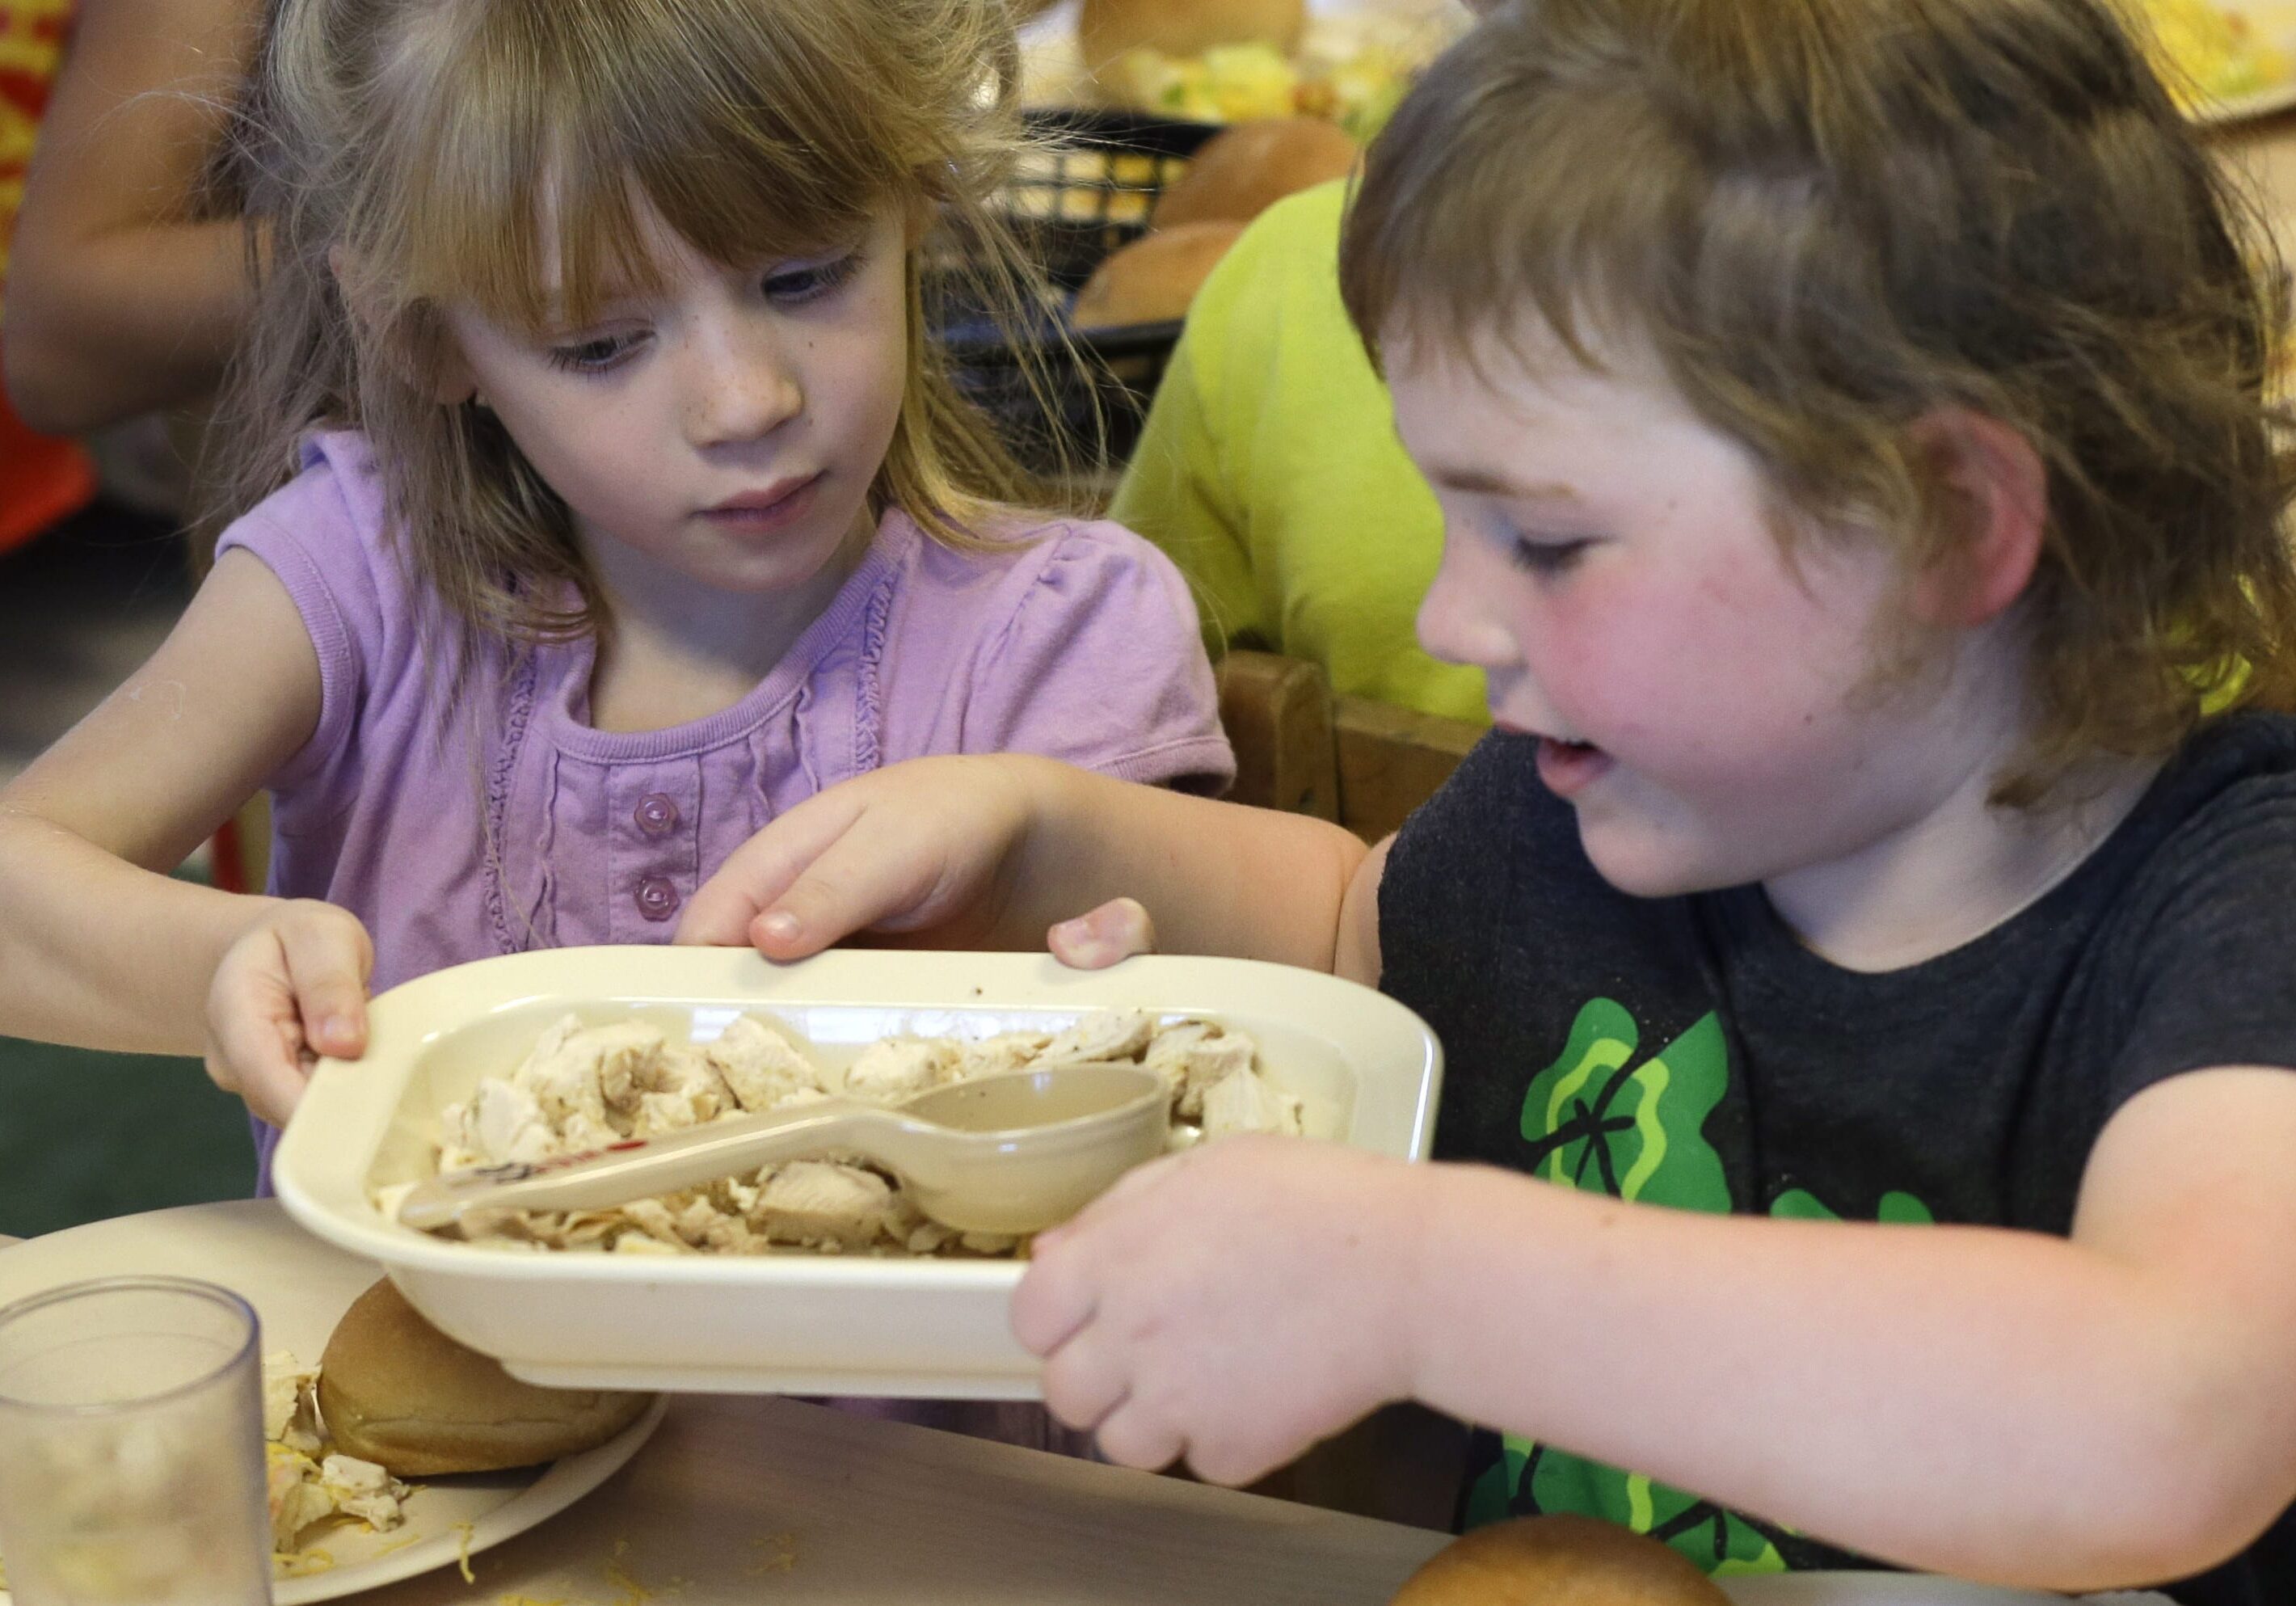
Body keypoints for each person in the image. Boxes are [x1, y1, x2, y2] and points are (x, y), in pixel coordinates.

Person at [673, 0, 2296, 1596]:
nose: (1451, 621)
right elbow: (1345, 929)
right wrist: (1045, 833)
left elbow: (2172, 1416)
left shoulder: (2240, 905)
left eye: (1546, 540)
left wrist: (1421, 1288)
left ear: (1945, 518)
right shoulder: (1584, 815)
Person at [0, 0, 1231, 1184]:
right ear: (424, 337)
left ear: (917, 199)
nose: (746, 402)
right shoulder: (361, 571)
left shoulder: (1067, 632)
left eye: (802, 277)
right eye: (599, 344)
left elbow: (1186, 1060)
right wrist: (222, 960)